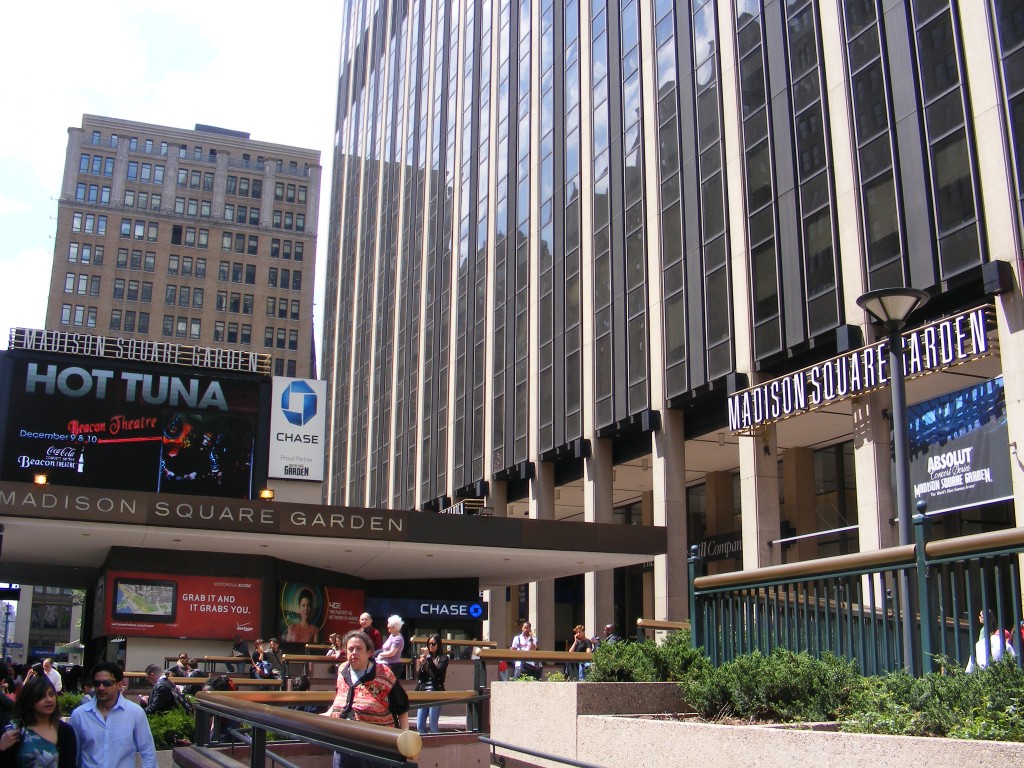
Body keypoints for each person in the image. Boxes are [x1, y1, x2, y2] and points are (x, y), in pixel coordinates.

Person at [321, 630, 409, 768]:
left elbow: (402, 707)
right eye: (350, 649)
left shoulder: (384, 674)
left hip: (375, 746)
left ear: (369, 652)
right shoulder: (343, 670)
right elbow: (341, 695)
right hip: (343, 743)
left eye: (358, 648)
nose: (354, 652)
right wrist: (329, 713)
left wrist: (405, 740)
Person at [70, 661, 157, 768]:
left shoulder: (135, 713)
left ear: (119, 685)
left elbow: (148, 752)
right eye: (97, 683)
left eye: (107, 683)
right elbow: (73, 755)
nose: (101, 688)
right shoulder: (79, 715)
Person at [0, 675, 76, 768]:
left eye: (51, 694)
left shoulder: (66, 731)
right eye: (41, 696)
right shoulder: (15, 729)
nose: (49, 700)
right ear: (29, 702)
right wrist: (2, 747)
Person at [415, 634, 449, 734]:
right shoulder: (426, 659)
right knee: (420, 726)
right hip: (423, 693)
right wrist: (422, 665)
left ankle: (435, 747)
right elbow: (421, 678)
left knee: (433, 726)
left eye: (433, 643)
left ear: (438, 645)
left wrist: (429, 658)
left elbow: (437, 674)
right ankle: (426, 746)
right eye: (429, 644)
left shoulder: (443, 658)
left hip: (435, 693)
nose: (431, 646)